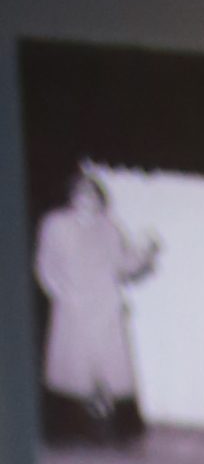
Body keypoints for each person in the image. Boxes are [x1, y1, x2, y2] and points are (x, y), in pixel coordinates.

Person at [34, 163, 156, 449]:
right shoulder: (56, 224)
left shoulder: (110, 228)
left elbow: (123, 267)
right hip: (73, 309)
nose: (87, 199)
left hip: (106, 308)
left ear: (100, 198)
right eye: (81, 193)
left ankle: (120, 434)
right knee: (71, 373)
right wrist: (61, 293)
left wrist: (144, 253)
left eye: (93, 194)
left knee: (114, 373)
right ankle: (65, 434)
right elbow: (45, 264)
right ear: (72, 196)